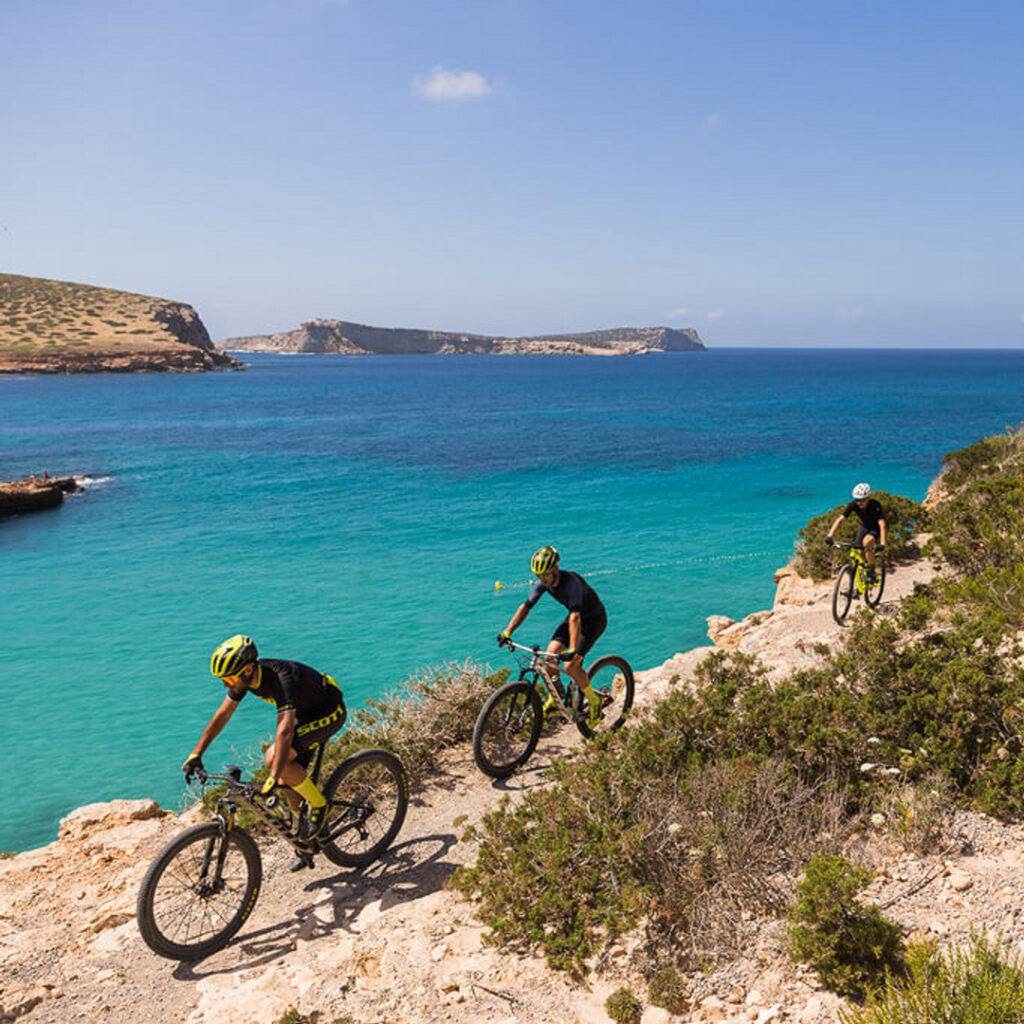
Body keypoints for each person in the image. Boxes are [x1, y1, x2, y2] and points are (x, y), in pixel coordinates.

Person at [182, 635, 346, 851]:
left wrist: (273, 775)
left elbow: (285, 730)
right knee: (286, 779)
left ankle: (319, 805)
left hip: (328, 711)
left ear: (248, 670)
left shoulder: (281, 679)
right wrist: (196, 753)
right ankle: (306, 838)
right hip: (304, 713)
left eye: (229, 680)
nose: (225, 684)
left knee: (275, 759)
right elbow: (222, 715)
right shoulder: (245, 678)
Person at [498, 546, 608, 727]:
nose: (543, 580)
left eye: (546, 575)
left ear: (555, 569)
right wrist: (508, 631)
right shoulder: (544, 583)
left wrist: (572, 649)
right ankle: (556, 696)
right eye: (539, 576)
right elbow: (526, 606)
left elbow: (575, 617)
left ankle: (594, 701)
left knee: (571, 665)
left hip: (593, 620)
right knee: (549, 656)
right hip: (574, 620)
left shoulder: (571, 583)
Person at [825, 483, 887, 581]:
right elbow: (840, 520)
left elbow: (882, 525)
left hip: (875, 528)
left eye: (862, 500)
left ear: (868, 497)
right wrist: (830, 535)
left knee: (866, 543)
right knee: (858, 551)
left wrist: (883, 543)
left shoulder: (875, 505)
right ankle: (858, 586)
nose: (859, 503)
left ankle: (871, 571)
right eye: (857, 500)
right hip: (865, 527)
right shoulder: (853, 505)